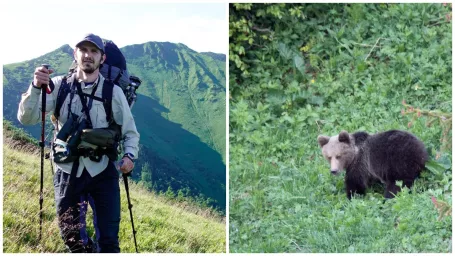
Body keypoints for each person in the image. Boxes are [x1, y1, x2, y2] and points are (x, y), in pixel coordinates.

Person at [17, 33, 140, 253]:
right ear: (76, 54)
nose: (88, 55)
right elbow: (27, 118)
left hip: (103, 171)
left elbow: (130, 132)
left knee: (109, 240)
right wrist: (36, 87)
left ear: (102, 59)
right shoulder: (58, 86)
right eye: (83, 50)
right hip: (67, 171)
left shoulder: (114, 93)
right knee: (71, 237)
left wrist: (129, 156)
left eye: (94, 51)